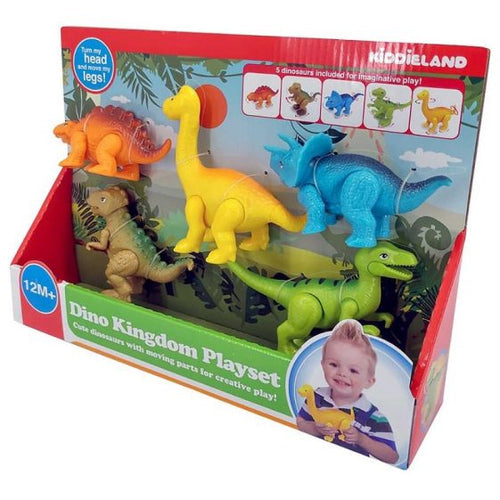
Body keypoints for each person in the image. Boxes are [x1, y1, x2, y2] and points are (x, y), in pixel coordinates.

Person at [296, 319, 399, 464]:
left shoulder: (374, 417)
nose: (342, 373)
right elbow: (300, 422)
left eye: (353, 370)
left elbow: (392, 457)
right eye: (334, 364)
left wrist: (361, 439)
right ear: (323, 365)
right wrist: (314, 428)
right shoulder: (317, 396)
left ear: (369, 381)